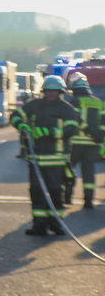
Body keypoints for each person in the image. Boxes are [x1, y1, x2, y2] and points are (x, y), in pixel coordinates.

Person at [14, 75, 79, 236]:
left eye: (54, 91)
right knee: (36, 192)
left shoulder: (66, 109)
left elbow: (72, 129)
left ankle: (56, 224)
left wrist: (50, 132)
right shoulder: (34, 105)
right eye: (48, 90)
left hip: (56, 160)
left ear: (60, 92)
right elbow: (15, 115)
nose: (51, 94)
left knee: (56, 192)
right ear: (44, 91)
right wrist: (22, 125)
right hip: (36, 159)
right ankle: (39, 225)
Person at [65, 72, 102, 209]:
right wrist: (100, 137)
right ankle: (88, 201)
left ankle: (68, 197)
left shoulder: (72, 102)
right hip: (93, 144)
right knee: (89, 173)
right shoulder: (98, 102)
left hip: (74, 143)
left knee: (68, 170)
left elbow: (73, 119)